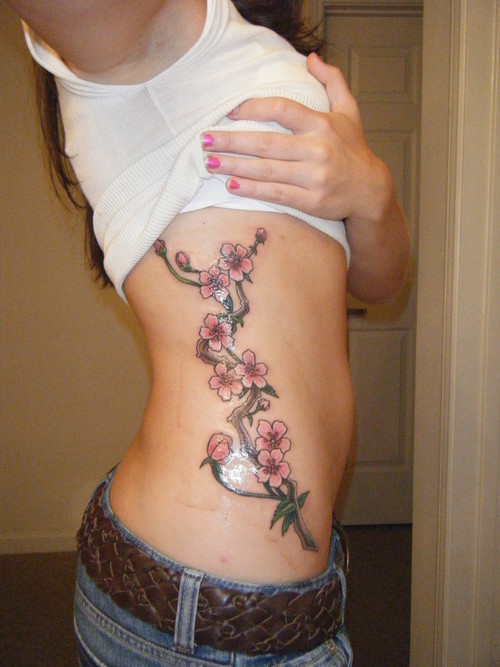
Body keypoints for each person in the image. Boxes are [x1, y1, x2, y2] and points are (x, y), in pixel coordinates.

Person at [5, 1, 409, 665]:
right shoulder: (148, 31)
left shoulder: (255, 43)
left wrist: (372, 191)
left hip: (286, 604)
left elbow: (382, 282)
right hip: (189, 620)